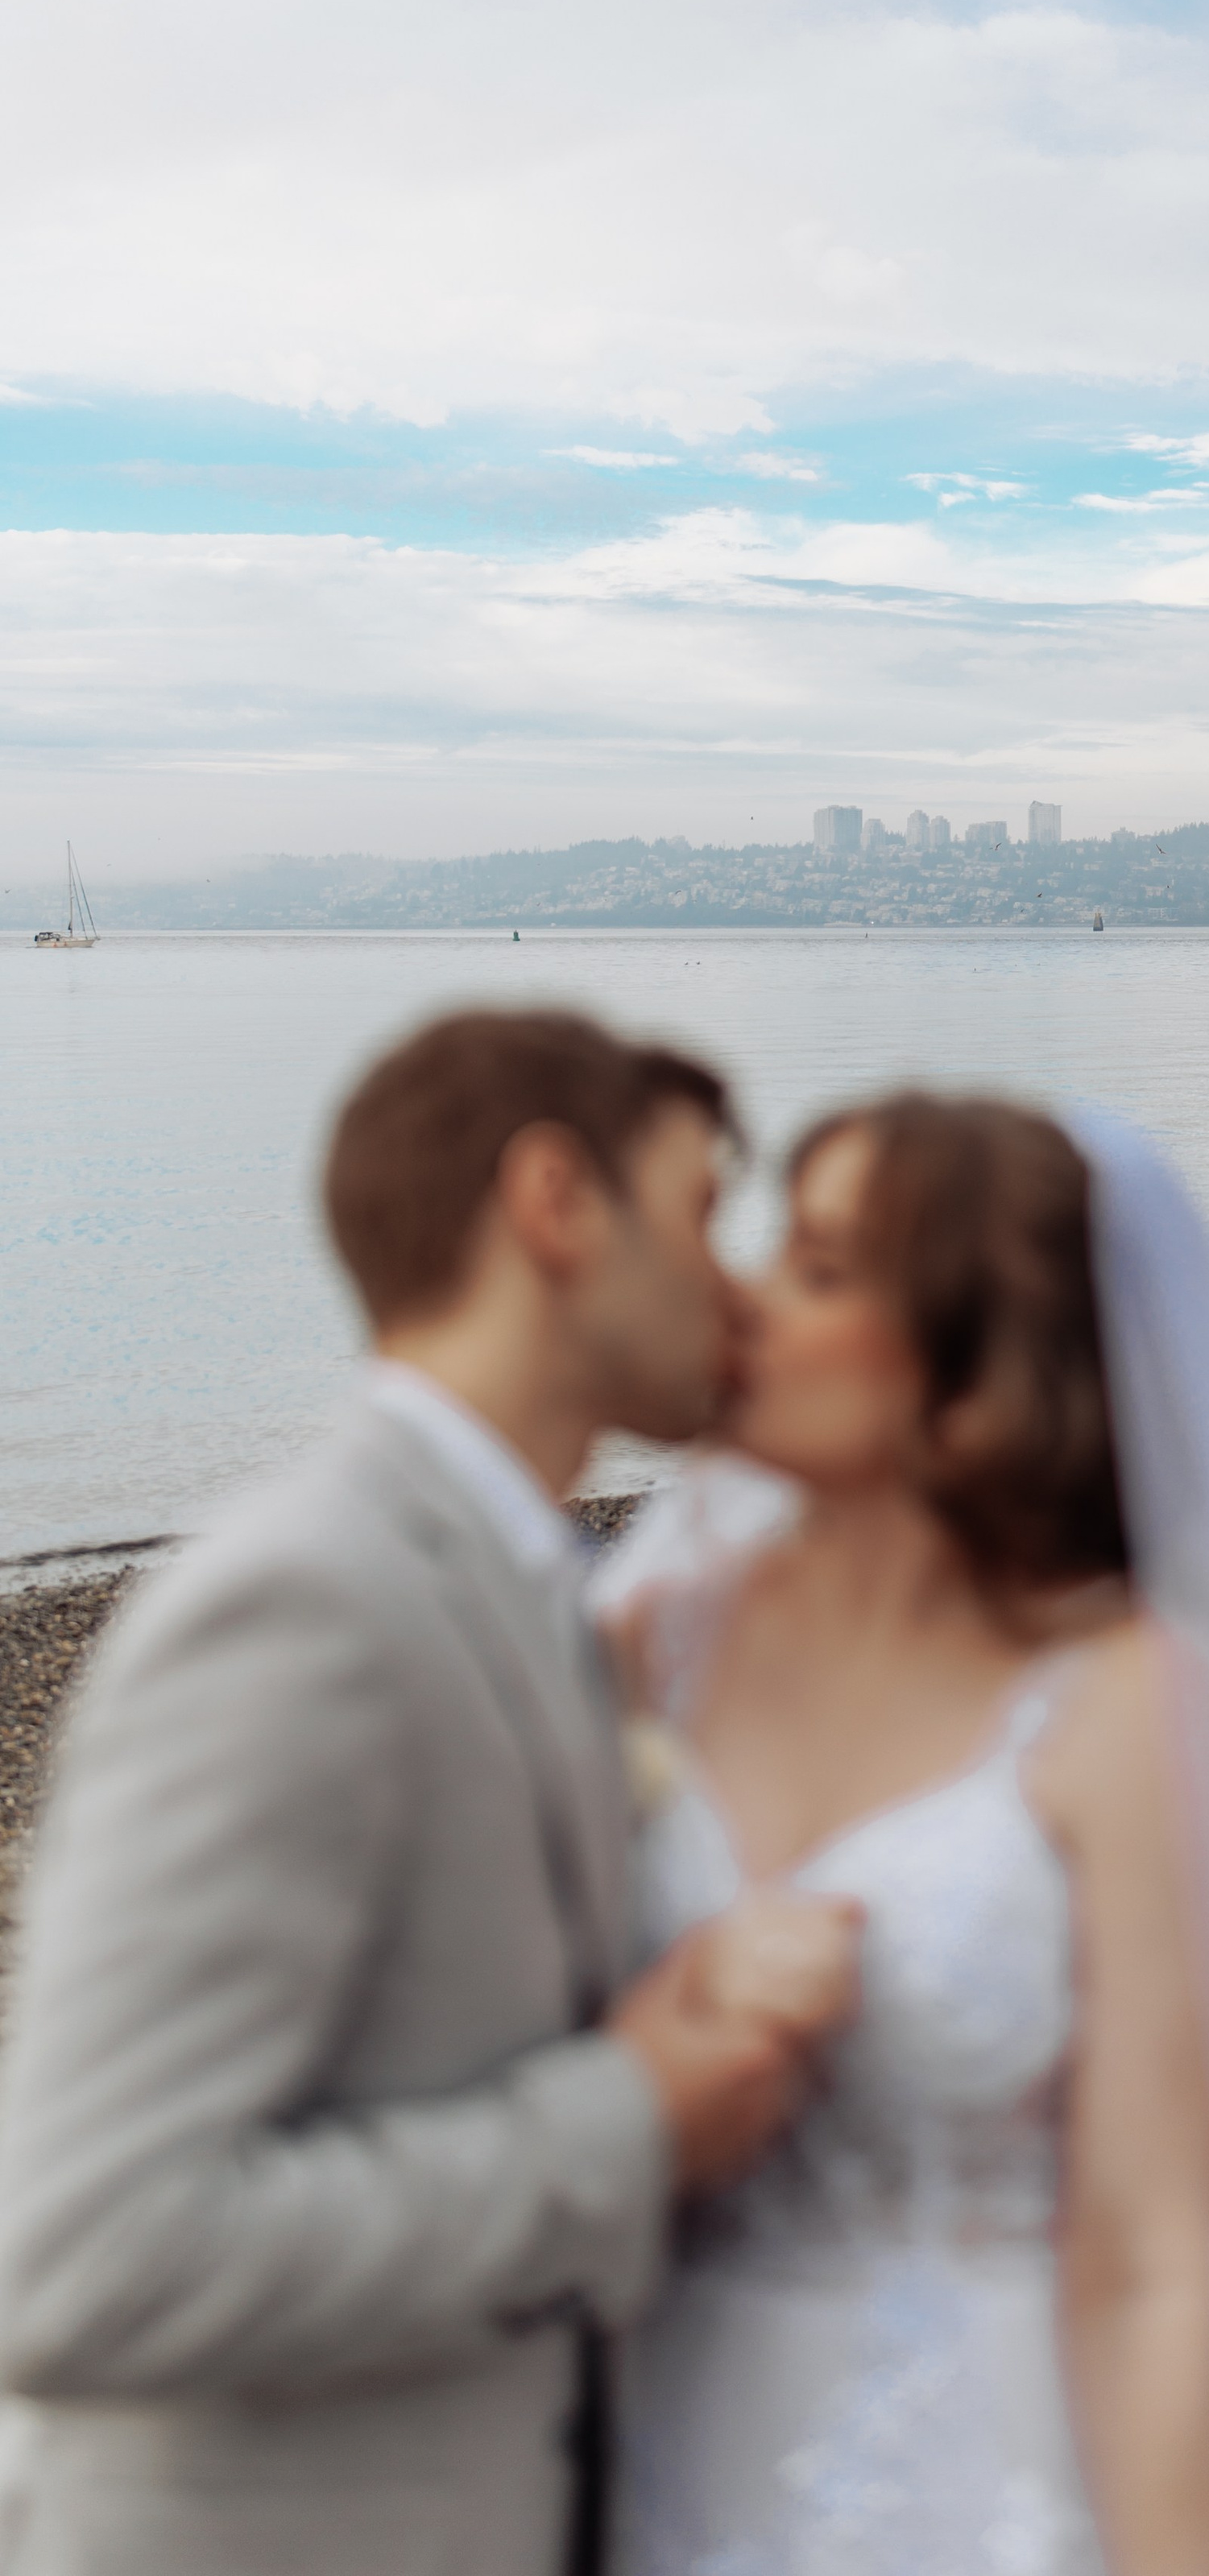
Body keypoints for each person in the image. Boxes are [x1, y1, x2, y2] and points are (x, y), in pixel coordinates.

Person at [0, 1008, 861, 2576]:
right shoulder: (304, 1604)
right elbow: (83, 2260)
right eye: (698, 1212)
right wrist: (633, 2122)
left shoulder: (531, 1593)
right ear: (556, 1203)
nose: (733, 1287)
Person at [602, 1092, 1209, 2576]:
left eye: (819, 1269)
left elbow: (1149, 2261)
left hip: (977, 2497)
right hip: (653, 2469)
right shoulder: (650, 1639)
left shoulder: (1126, 1706)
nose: (743, 1301)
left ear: (974, 1377)